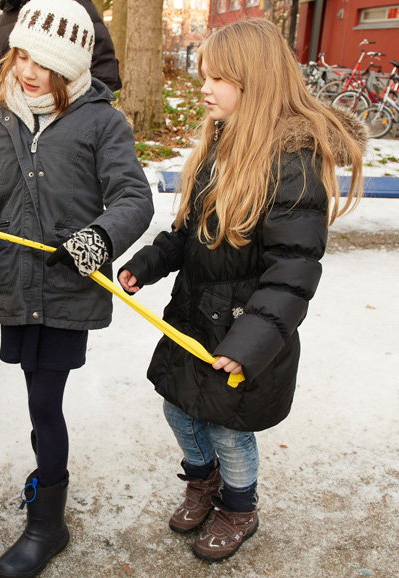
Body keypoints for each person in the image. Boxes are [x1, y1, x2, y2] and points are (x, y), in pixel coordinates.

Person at [116, 18, 366, 563]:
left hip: (244, 330)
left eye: (217, 78)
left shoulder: (291, 164)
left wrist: (249, 343)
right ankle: (202, 483)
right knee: (180, 411)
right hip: (194, 318)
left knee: (230, 431)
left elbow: (292, 273)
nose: (203, 88)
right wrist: (149, 263)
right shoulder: (218, 146)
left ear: (255, 83)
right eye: (204, 75)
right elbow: (190, 234)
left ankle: (238, 505)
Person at [0, 1, 153, 576]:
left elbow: (133, 200)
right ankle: (44, 474)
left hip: (65, 290)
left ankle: (48, 520)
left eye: (45, 65)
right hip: (16, 282)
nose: (28, 71)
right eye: (22, 55)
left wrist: (95, 241)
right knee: (35, 394)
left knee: (43, 402)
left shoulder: (103, 122)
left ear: (74, 69)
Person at [0, 0, 121, 95]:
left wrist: (82, 117)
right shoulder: (7, 13)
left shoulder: (73, 7)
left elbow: (103, 69)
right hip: (18, 128)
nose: (29, 72)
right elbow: (2, 71)